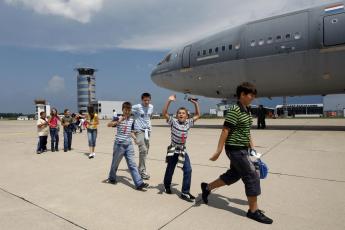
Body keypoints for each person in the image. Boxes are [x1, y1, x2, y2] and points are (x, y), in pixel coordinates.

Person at [200, 82, 273, 224]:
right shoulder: (235, 110)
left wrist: (252, 148)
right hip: (234, 149)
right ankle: (253, 211)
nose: (253, 97)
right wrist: (218, 151)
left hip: (244, 149)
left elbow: (246, 130)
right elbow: (225, 130)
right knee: (251, 176)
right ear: (242, 95)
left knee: (234, 175)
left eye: (253, 95)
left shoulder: (247, 109)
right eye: (250, 94)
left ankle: (207, 187)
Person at [162, 95, 200, 202]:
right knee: (170, 169)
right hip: (173, 150)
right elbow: (164, 113)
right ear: (176, 115)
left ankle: (185, 192)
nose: (181, 114)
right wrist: (169, 101)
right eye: (179, 113)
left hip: (182, 150)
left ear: (187, 116)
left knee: (188, 170)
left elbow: (198, 115)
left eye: (183, 113)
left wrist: (195, 103)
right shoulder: (173, 122)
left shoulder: (188, 122)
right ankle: (167, 185)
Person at [106, 102, 149, 190]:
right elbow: (108, 125)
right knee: (115, 163)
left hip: (129, 145)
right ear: (122, 110)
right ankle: (112, 177)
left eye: (129, 110)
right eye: (125, 110)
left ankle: (139, 183)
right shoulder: (118, 117)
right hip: (119, 144)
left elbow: (131, 131)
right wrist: (119, 121)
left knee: (132, 164)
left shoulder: (131, 120)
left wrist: (135, 139)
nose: (127, 112)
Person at [132, 93, 153, 180]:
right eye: (145, 100)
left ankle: (140, 167)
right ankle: (142, 171)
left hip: (147, 131)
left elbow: (148, 118)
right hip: (139, 131)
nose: (147, 102)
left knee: (145, 150)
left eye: (148, 100)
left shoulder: (151, 107)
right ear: (142, 100)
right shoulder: (137, 106)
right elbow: (127, 110)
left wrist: (149, 127)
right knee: (143, 150)